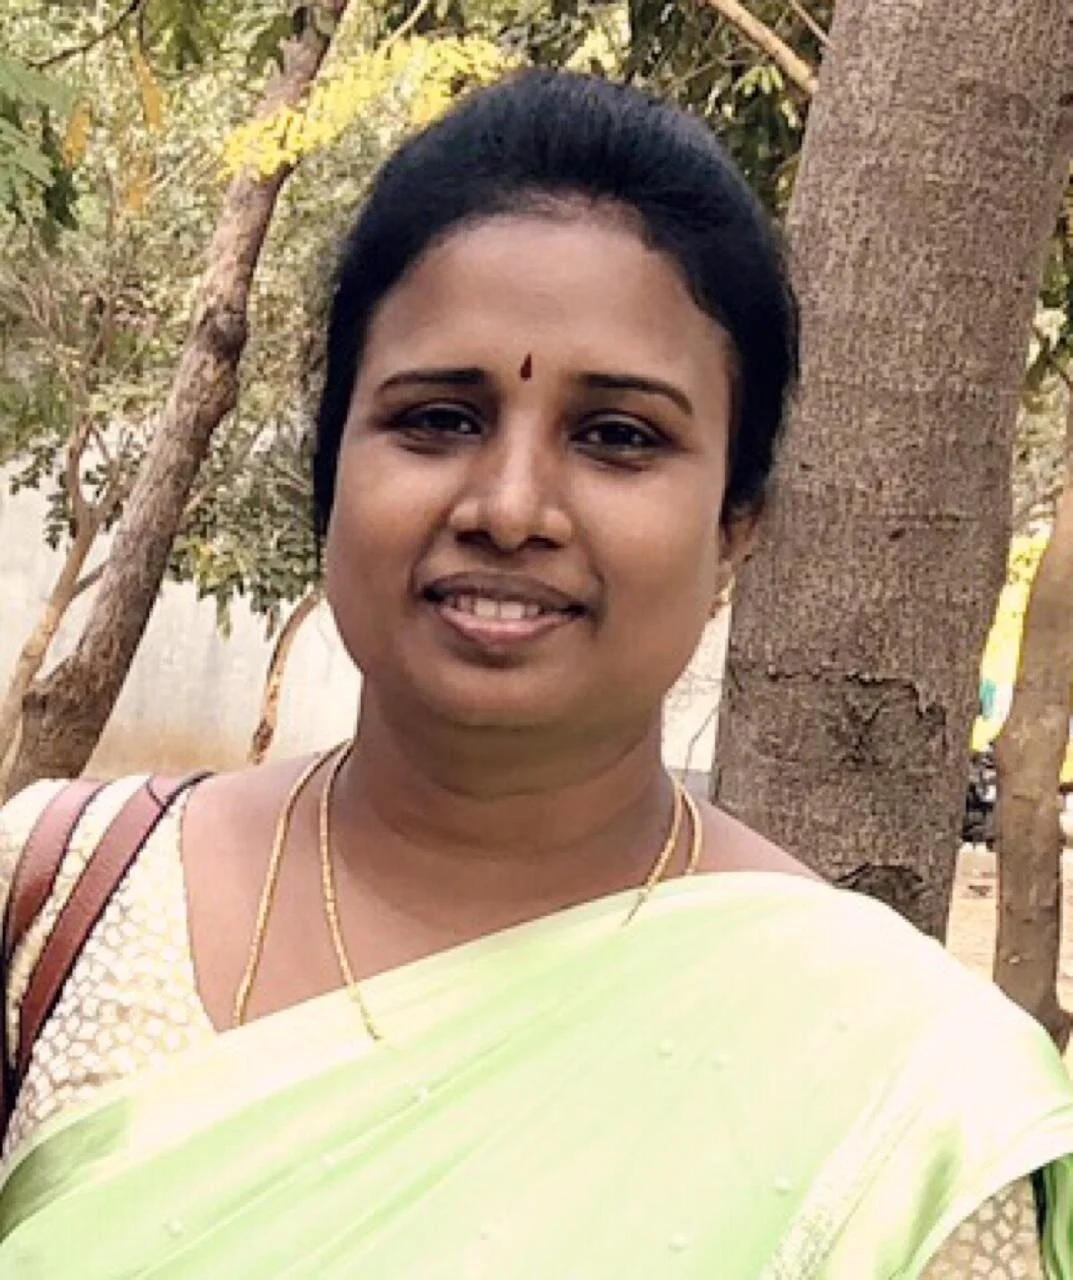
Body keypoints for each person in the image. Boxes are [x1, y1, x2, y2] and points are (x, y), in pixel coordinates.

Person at [0, 69, 1071, 1279]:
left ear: (735, 523)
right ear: (331, 467)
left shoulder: (907, 1097)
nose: (509, 507)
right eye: (437, 418)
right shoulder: (65, 895)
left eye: (617, 436)